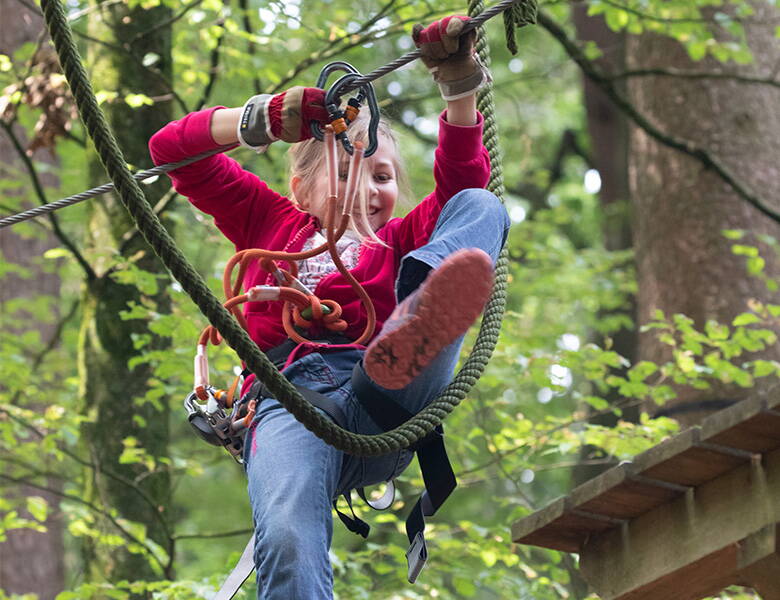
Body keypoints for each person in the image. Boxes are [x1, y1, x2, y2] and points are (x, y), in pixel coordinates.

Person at [150, 15, 510, 600]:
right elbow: (171, 151)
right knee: (287, 538)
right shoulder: (266, 222)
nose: (371, 189)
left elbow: (464, 184)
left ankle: (427, 310)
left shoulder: (399, 240)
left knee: (479, 206)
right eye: (351, 171)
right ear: (301, 188)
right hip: (288, 403)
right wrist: (261, 121)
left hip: (381, 390)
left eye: (384, 175)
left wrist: (459, 88)